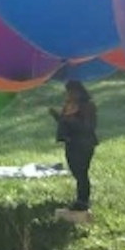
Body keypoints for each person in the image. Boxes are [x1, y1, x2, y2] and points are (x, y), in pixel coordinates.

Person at [48, 80, 98, 211]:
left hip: (84, 143)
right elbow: (65, 122)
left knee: (81, 173)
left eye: (72, 92)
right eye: (68, 92)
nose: (69, 95)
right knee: (76, 171)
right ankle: (81, 198)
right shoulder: (69, 106)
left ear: (80, 92)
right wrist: (57, 116)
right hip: (71, 143)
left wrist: (70, 119)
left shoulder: (87, 106)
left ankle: (83, 201)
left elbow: (87, 127)